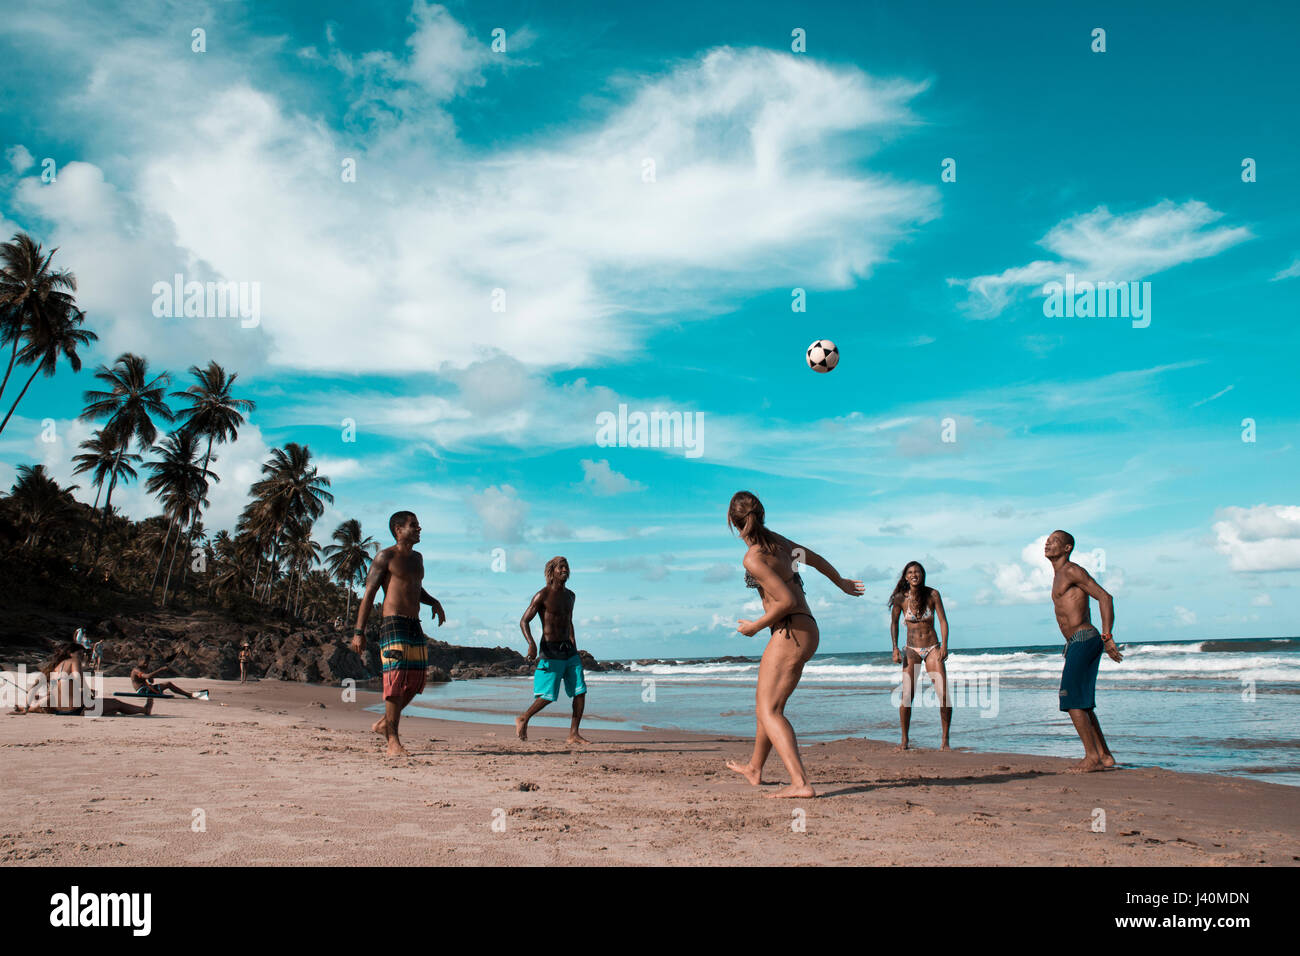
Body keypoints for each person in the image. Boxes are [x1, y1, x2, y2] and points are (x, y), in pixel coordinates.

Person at [724, 491, 864, 798]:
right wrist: (840, 581)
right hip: (806, 628)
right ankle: (755, 768)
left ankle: (800, 783)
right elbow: (812, 559)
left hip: (788, 630)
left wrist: (754, 626)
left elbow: (785, 601)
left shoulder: (754, 557)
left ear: (734, 524)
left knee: (768, 710)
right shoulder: (781, 543)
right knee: (770, 706)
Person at [351, 511, 446, 757]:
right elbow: (370, 593)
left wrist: (433, 601)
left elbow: (416, 588)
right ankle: (393, 740)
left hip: (414, 623)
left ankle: (384, 723)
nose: (419, 528)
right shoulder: (386, 556)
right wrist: (358, 632)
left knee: (416, 681)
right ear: (398, 529)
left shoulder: (418, 558)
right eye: (413, 525)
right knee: (394, 682)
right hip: (392, 623)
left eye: (418, 524)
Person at [1045, 530, 1123, 772]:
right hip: (1076, 642)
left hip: (1084, 638)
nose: (1048, 544)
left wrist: (1107, 636)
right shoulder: (1058, 574)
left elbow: (1105, 597)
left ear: (1067, 548)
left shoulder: (1071, 570)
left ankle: (1091, 757)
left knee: (1071, 700)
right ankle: (1104, 755)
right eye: (1047, 541)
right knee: (1084, 703)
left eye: (1054, 541)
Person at [515, 557, 588, 745]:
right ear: (552, 571)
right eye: (561, 567)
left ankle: (573, 734)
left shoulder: (571, 596)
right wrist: (531, 644)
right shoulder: (543, 595)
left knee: (580, 691)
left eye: (566, 567)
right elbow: (524, 621)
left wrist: (575, 645)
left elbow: (569, 621)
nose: (565, 570)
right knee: (548, 696)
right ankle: (524, 717)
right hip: (551, 651)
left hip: (569, 651)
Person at [888, 561, 952, 750]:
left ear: (923, 575)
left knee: (944, 694)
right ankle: (904, 740)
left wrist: (944, 646)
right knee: (907, 695)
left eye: (917, 571)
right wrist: (894, 648)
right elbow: (893, 624)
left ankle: (945, 740)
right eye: (910, 572)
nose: (914, 574)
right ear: (906, 577)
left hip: (932, 648)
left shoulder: (933, 594)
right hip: (911, 650)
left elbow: (942, 620)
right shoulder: (900, 598)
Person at [18, 644, 153, 716]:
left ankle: (26, 708)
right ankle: (144, 710)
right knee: (116, 703)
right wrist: (88, 692)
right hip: (77, 709)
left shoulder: (56, 667)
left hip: (58, 709)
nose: (82, 656)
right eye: (80, 653)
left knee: (48, 698)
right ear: (71, 654)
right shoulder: (73, 661)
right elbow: (78, 679)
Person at [131, 660, 203, 699]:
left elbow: (151, 681)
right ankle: (189, 695)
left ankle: (188, 694)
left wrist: (150, 678)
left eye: (147, 663)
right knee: (168, 684)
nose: (146, 664)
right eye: (144, 662)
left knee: (167, 684)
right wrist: (160, 669)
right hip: (142, 691)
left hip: (147, 688)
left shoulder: (143, 669)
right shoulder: (136, 670)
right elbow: (147, 676)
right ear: (139, 661)